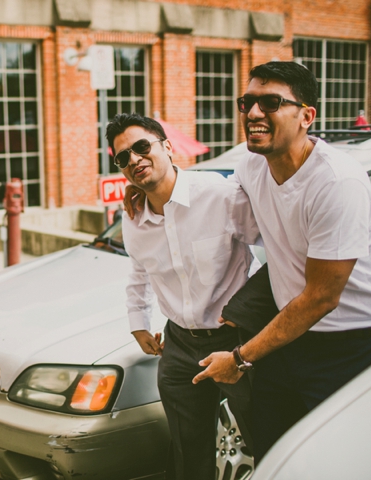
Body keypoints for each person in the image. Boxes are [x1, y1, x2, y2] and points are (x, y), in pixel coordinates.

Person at [193, 61, 371, 462]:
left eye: (270, 103)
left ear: (306, 116)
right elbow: (214, 200)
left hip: (355, 343)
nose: (253, 113)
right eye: (247, 102)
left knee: (340, 460)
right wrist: (153, 190)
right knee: (273, 447)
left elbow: (321, 297)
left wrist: (239, 358)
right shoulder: (252, 164)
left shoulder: (337, 182)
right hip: (290, 336)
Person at [107, 113, 261, 480]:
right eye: (122, 157)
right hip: (177, 347)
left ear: (168, 147)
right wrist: (137, 322)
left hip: (236, 341)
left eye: (142, 147)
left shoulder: (220, 195)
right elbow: (140, 270)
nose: (134, 160)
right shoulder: (133, 215)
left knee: (263, 438)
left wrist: (254, 310)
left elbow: (280, 248)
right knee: (188, 454)